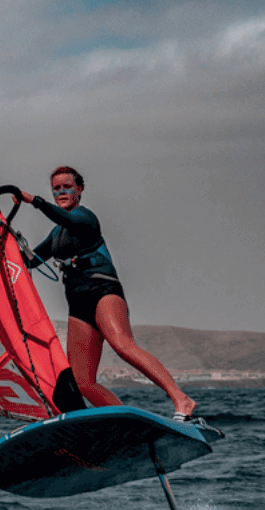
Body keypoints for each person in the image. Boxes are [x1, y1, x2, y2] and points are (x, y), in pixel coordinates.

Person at [19, 166, 196, 419]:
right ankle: (123, 421)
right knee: (83, 382)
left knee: (123, 345)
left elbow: (66, 219)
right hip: (77, 303)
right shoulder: (56, 234)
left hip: (102, 291)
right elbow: (32, 259)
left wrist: (34, 201)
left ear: (78, 190)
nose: (62, 192)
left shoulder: (85, 217)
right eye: (56, 188)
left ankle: (182, 399)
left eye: (67, 186)